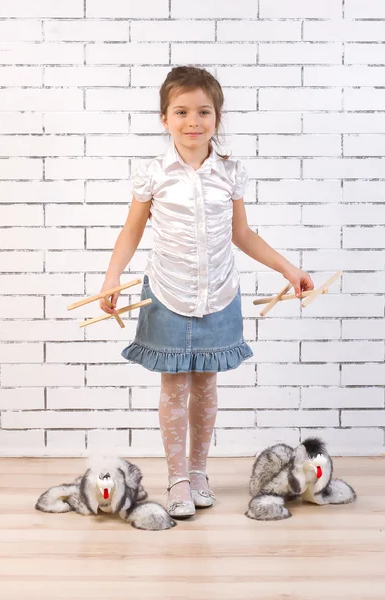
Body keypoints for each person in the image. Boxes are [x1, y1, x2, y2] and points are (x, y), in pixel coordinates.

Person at [99, 66, 314, 519]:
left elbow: (243, 234)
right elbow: (131, 232)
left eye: (203, 111)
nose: (192, 121)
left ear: (217, 118)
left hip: (219, 294)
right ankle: (176, 476)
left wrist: (288, 269)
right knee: (174, 387)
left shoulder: (229, 173)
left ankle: (199, 471)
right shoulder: (153, 174)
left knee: (207, 387)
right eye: (181, 111)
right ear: (164, 118)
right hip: (167, 293)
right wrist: (111, 277)